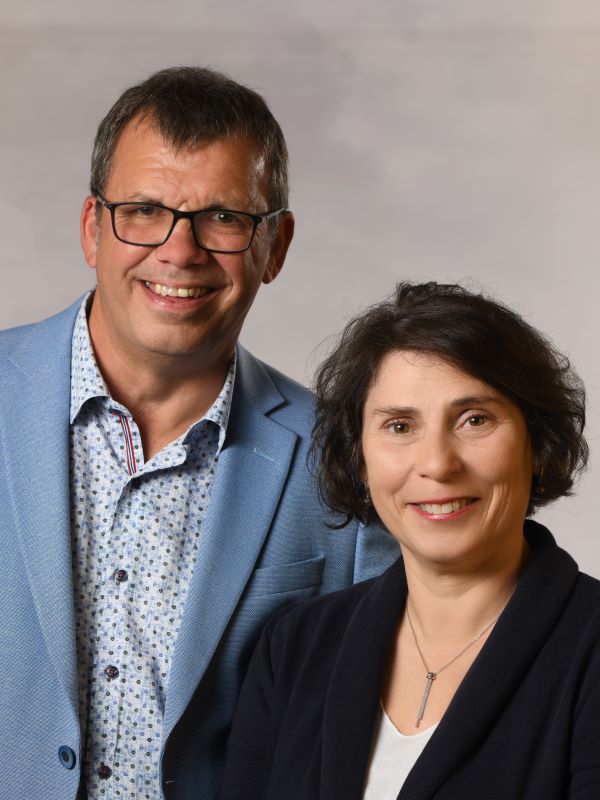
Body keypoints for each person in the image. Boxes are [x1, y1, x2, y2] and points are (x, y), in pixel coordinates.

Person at [0, 67, 399, 800]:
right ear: (93, 229)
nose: (179, 251)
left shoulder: (342, 461)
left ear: (274, 246)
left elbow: (373, 728)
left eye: (223, 217)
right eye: (144, 210)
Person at [221, 281, 600, 799]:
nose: (438, 464)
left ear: (537, 442)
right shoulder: (294, 647)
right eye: (400, 426)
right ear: (360, 458)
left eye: (474, 420)